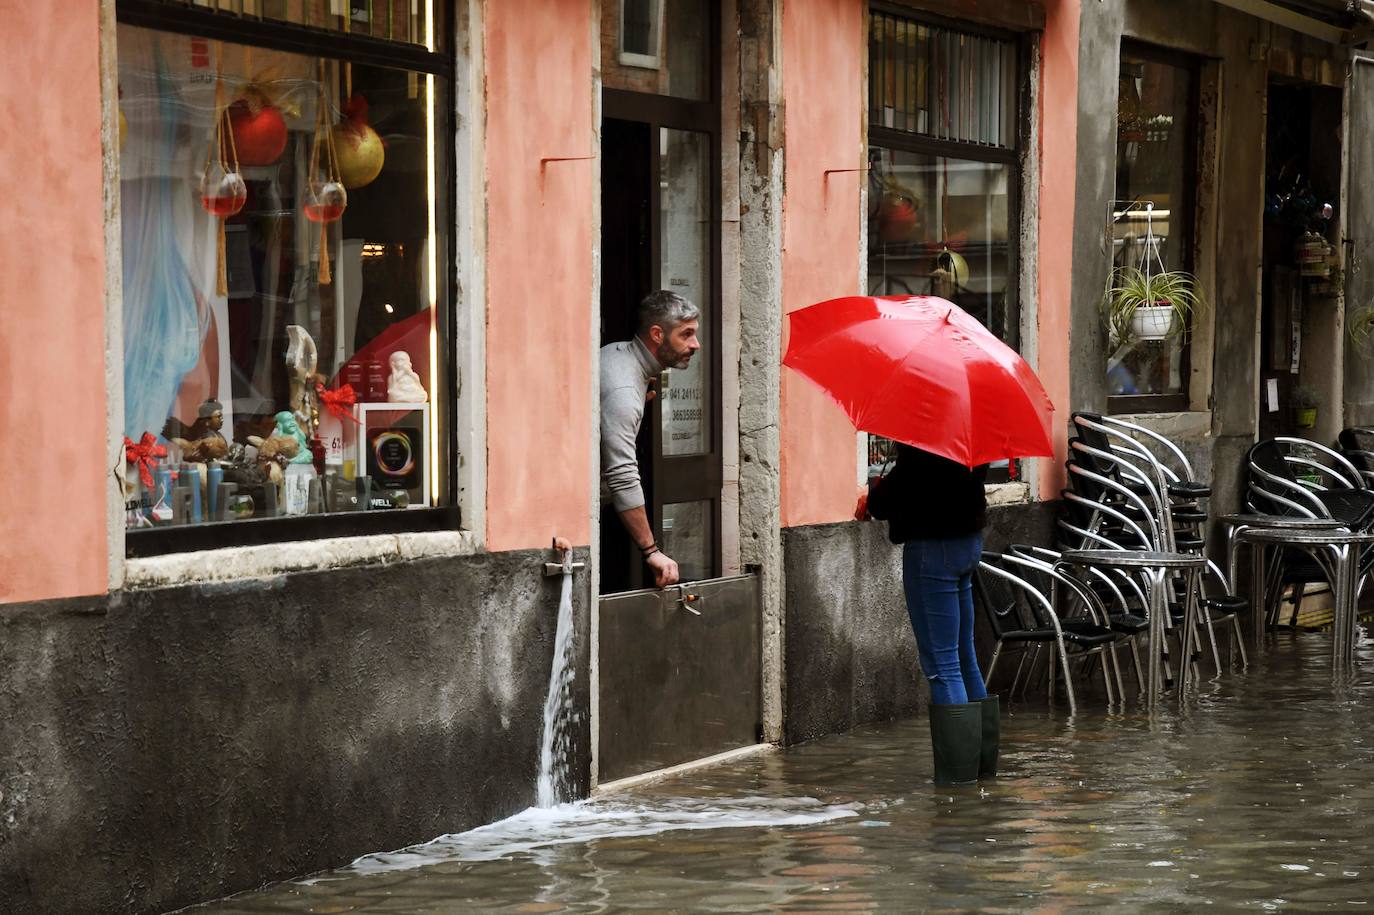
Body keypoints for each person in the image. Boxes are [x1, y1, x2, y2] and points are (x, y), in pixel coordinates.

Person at [863, 443, 998, 786]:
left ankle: (957, 781)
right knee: (965, 657)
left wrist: (875, 500)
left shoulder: (927, 439)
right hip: (967, 543)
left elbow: (906, 487)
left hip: (932, 549)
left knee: (942, 666)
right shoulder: (969, 433)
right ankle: (981, 769)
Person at [601, 290, 701, 590]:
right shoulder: (624, 391)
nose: (696, 344)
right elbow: (621, 473)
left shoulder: (617, 354)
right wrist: (651, 551)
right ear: (657, 334)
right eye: (686, 335)